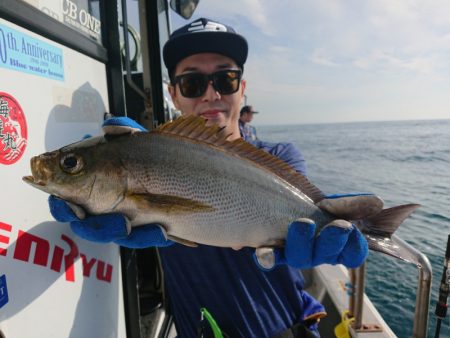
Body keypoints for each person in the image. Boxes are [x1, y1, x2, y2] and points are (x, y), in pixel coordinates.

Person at [49, 18, 369, 337]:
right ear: (173, 94)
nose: (211, 94)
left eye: (226, 79)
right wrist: (85, 198)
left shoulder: (280, 157)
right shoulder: (149, 154)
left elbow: (296, 214)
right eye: (192, 84)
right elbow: (116, 196)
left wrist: (324, 223)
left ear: (242, 88)